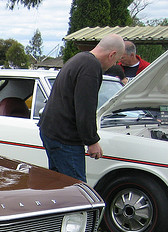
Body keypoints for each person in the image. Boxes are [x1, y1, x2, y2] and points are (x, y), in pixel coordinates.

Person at [38, 34, 125, 182]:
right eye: (116, 61)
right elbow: (85, 107)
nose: (113, 65)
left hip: (51, 131)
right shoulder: (91, 67)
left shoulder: (79, 59)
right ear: (112, 54)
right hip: (65, 138)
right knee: (76, 189)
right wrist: (92, 141)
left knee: (58, 185)